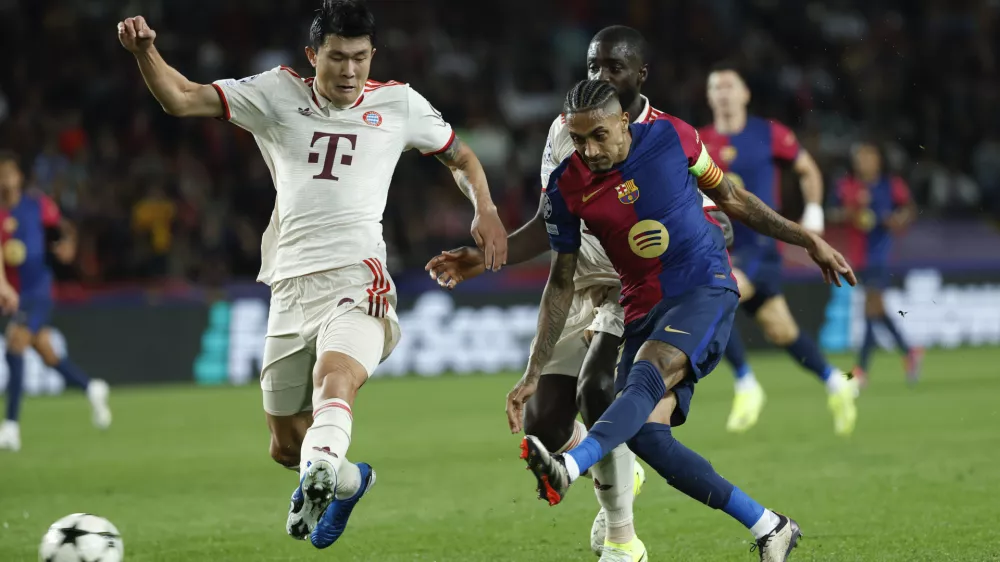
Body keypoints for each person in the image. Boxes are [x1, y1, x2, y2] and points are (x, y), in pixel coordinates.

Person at [117, 0, 508, 549]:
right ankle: (346, 481)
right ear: (312, 55)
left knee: (336, 376)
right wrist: (145, 53)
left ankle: (323, 464)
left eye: (360, 58)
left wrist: (483, 208)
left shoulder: (399, 105)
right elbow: (182, 98)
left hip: (357, 278)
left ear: (373, 55)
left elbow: (462, 157)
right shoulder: (276, 94)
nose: (349, 71)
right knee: (284, 444)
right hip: (289, 286)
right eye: (337, 58)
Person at [514, 80, 856, 561]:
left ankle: (570, 467)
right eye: (577, 138)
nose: (588, 150)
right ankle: (770, 526)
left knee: (639, 385)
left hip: (702, 286)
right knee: (649, 437)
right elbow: (561, 281)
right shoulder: (567, 185)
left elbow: (733, 197)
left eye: (598, 136)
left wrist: (806, 238)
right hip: (640, 307)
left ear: (622, 123)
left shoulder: (674, 137)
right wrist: (533, 371)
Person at [426, 26, 732, 562]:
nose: (600, 77)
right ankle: (618, 466)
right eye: (594, 67)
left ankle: (622, 538)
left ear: (640, 76)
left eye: (614, 68)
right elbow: (553, 222)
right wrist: (485, 259)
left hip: (632, 284)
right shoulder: (565, 129)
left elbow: (714, 215)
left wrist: (714, 229)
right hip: (576, 280)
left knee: (597, 390)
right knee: (544, 428)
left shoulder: (664, 137)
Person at [699, 64, 858, 435]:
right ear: (708, 97)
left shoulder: (769, 133)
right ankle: (837, 382)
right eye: (715, 86)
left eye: (729, 85)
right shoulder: (699, 140)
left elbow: (807, 170)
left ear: (745, 94)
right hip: (714, 245)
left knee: (713, 297)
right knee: (781, 330)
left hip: (756, 249)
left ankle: (746, 383)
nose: (722, 91)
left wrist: (814, 215)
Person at [0, 151, 111, 452]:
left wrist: (69, 246)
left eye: (10, 174)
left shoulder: (36, 205)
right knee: (47, 354)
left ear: (19, 177)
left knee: (15, 344)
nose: (6, 180)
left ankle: (10, 427)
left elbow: (66, 228)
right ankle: (92, 388)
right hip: (16, 294)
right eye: (2, 175)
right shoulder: (1, 214)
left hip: (38, 291)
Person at [833, 141, 922, 386]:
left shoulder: (891, 185)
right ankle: (910, 352)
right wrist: (853, 214)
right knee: (877, 311)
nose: (864, 162)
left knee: (870, 309)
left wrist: (897, 219)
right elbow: (835, 212)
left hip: (882, 255)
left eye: (868, 157)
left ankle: (860, 370)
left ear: (878, 160)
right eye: (860, 158)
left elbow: (909, 210)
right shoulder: (847, 185)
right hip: (859, 256)